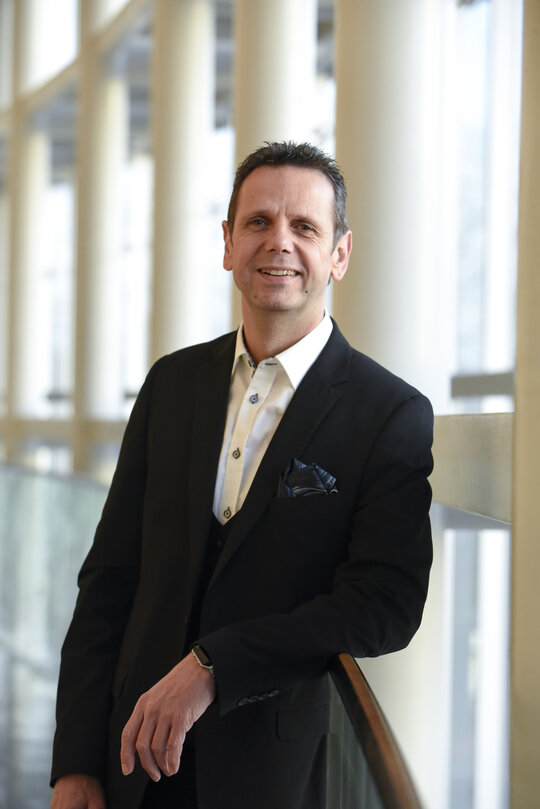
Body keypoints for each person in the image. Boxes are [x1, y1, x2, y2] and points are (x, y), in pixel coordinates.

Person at [50, 141, 434, 809]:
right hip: (129, 762)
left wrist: (214, 665)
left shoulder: (388, 412)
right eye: (258, 222)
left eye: (304, 227)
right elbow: (109, 581)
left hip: (271, 775)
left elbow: (385, 605)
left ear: (340, 252)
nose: (277, 242)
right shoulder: (170, 384)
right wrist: (76, 762)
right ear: (228, 243)